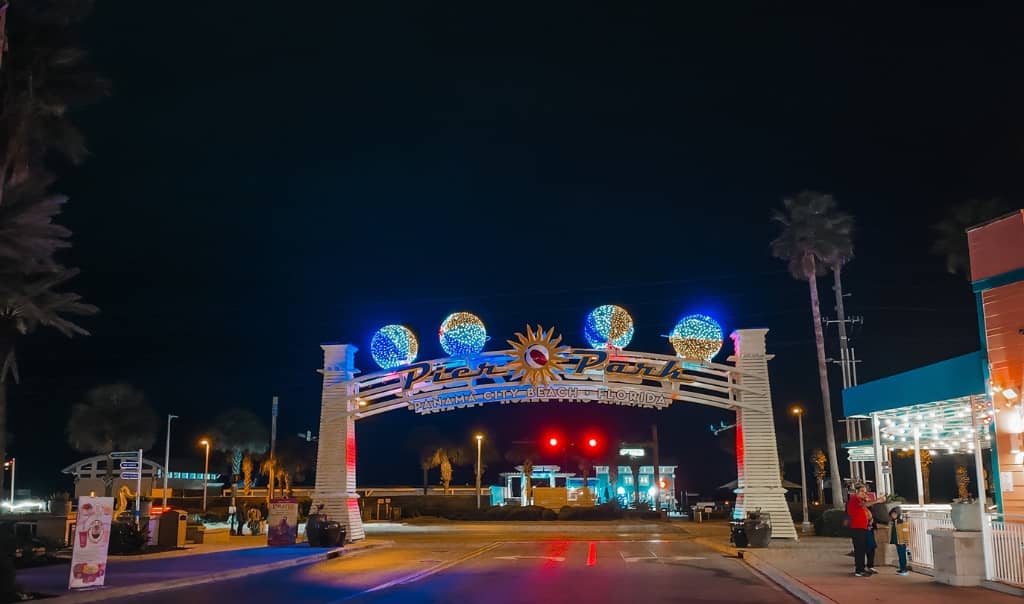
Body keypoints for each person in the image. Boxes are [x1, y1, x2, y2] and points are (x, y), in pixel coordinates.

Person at [846, 483, 885, 576]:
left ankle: (862, 568)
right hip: (857, 528)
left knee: (862, 549)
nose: (864, 493)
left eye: (865, 492)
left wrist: (870, 519)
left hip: (863, 528)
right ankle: (859, 570)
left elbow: (867, 509)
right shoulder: (854, 499)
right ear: (857, 491)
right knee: (859, 549)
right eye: (862, 491)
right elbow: (865, 504)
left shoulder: (860, 500)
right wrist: (877, 500)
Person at [889, 507, 910, 575]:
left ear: (898, 514)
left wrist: (905, 541)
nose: (893, 515)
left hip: (901, 541)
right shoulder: (894, 522)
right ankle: (902, 568)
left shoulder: (901, 522)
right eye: (892, 514)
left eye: (894, 514)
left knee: (902, 555)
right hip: (897, 541)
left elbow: (905, 532)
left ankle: (904, 570)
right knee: (900, 555)